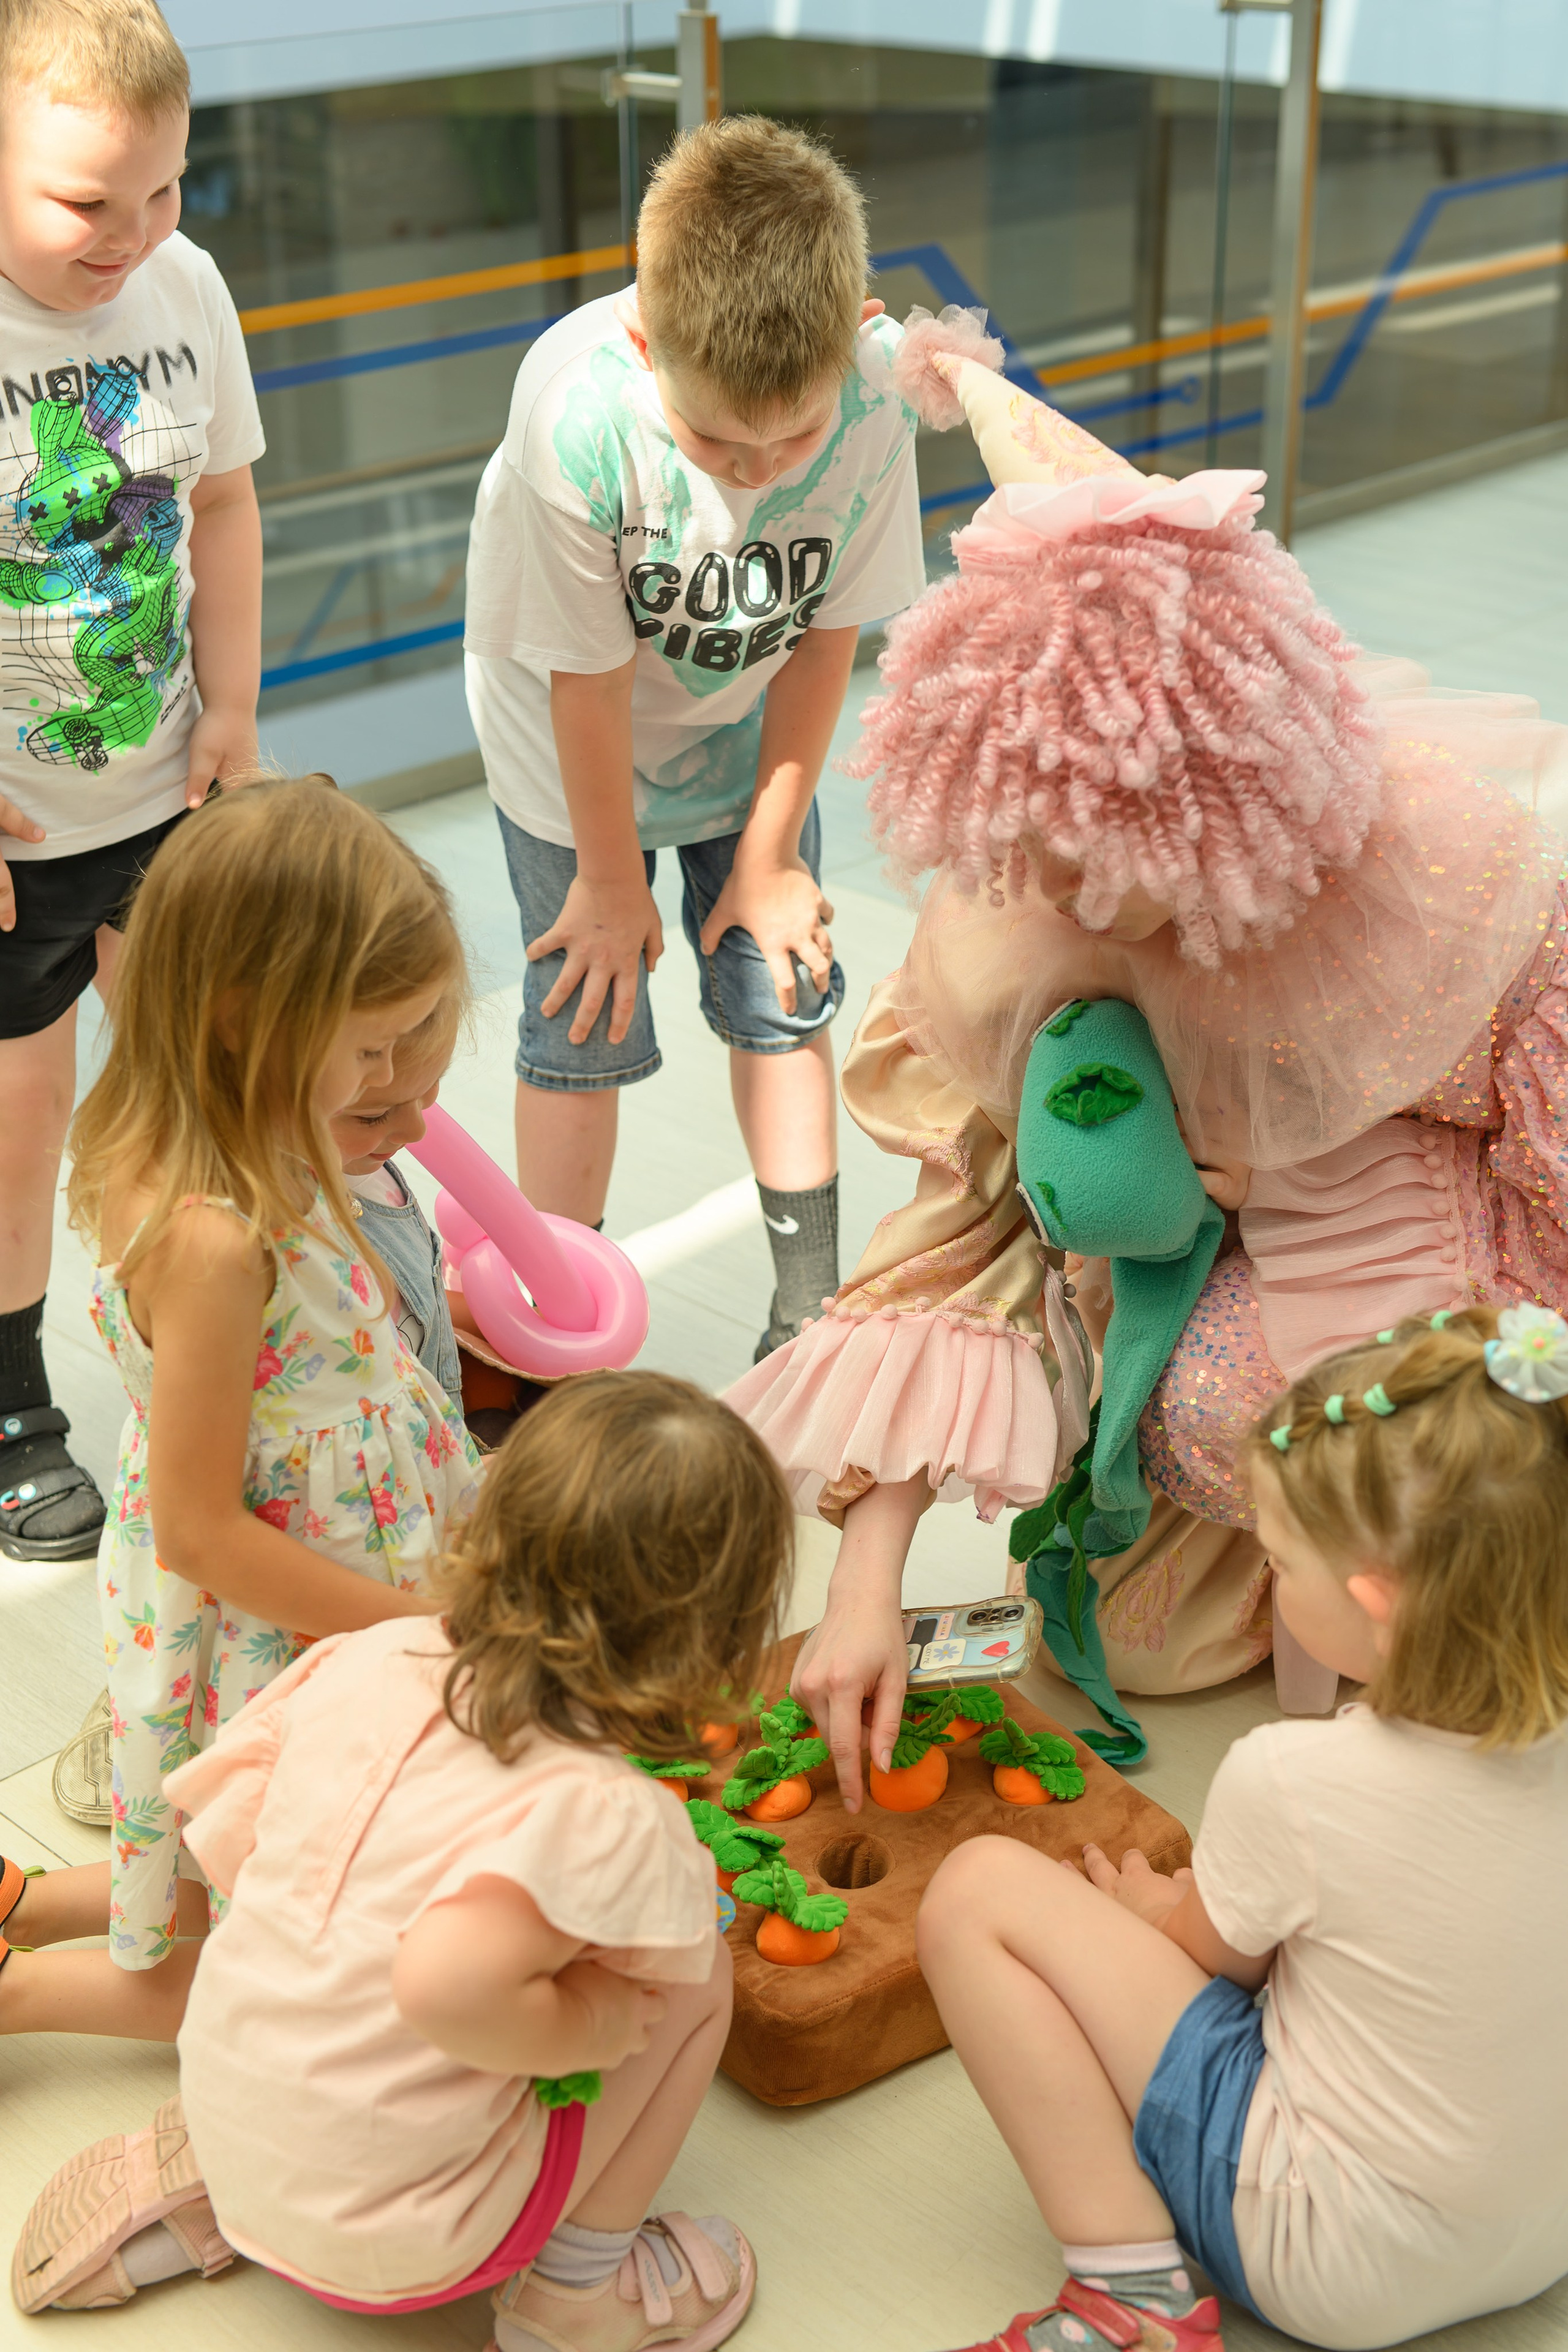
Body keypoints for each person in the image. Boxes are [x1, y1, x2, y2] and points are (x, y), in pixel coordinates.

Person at [729, 310, 1568, 1798]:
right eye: (1022, 857)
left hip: (1455, 1362)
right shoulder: (1033, 915)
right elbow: (971, 1246)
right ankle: (1296, 1564)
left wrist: (1350, 1204)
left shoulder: (1466, 895)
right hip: (1233, 1374)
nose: (1052, 907)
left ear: (1229, 807)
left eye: (1100, 869)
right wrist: (865, 1582)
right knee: (1139, 1643)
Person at [14, 1371, 786, 2352]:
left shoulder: (366, 1657)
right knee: (697, 1982)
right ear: (711, 1637)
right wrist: (585, 2016)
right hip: (409, 2245)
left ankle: (218, 2180)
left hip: (226, 2105)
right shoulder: (610, 1815)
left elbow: (240, 1861)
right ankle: (575, 2300)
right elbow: (442, 1980)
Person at [914, 1303, 1568, 2352]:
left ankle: (1131, 2295)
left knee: (976, 1891)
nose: (1270, 1583)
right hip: (1539, 2237)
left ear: (1375, 1601)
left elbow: (1214, 1960)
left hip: (1335, 2262)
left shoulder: (1302, 1780)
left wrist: (1151, 1907)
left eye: (1282, 1564)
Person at [0, 780, 481, 2041]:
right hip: (296, 1618)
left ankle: (26, 1900)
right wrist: (418, 1636)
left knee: (248, 1850)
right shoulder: (212, 1238)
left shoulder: (219, 1126)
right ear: (240, 1021)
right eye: (375, 1063)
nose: (409, 1106)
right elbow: (201, 1531)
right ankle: (21, 1992)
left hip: (338, 1581)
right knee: (294, 1941)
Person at [464, 113, 926, 1360]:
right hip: (569, 746)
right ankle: (552, 1325)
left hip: (748, 725)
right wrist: (613, 887)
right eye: (719, 442)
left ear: (854, 334)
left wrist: (772, 854)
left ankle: (806, 1309)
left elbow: (827, 633)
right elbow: (588, 679)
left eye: (792, 437)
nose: (758, 471)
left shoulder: (878, 397)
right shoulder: (574, 415)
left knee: (780, 981)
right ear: (643, 340)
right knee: (584, 1007)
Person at [0, 0, 265, 1564]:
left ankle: (216, 1363)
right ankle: (12, 1398)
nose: (133, 233)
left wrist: (231, 702)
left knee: (190, 1098)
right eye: (86, 202)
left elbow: (221, 500)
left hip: (170, 797)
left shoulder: (184, 285)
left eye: (163, 191)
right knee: (24, 1113)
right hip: (21, 838)